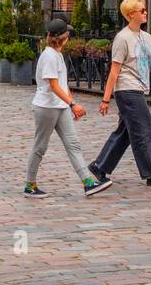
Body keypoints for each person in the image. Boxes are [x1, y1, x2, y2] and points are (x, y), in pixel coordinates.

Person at [89, 0, 151, 187]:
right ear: (131, 14)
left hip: (139, 88)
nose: (145, 13)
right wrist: (106, 99)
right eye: (142, 10)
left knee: (126, 132)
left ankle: (99, 167)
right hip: (127, 89)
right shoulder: (122, 38)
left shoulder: (146, 37)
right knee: (144, 129)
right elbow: (114, 70)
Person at [24, 19, 112, 198]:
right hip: (47, 107)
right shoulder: (49, 55)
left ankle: (88, 182)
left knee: (73, 144)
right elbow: (54, 86)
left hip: (61, 106)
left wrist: (70, 103)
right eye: (67, 34)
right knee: (40, 146)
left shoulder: (57, 54)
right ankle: (30, 185)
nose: (69, 36)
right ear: (60, 37)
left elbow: (63, 85)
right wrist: (72, 103)